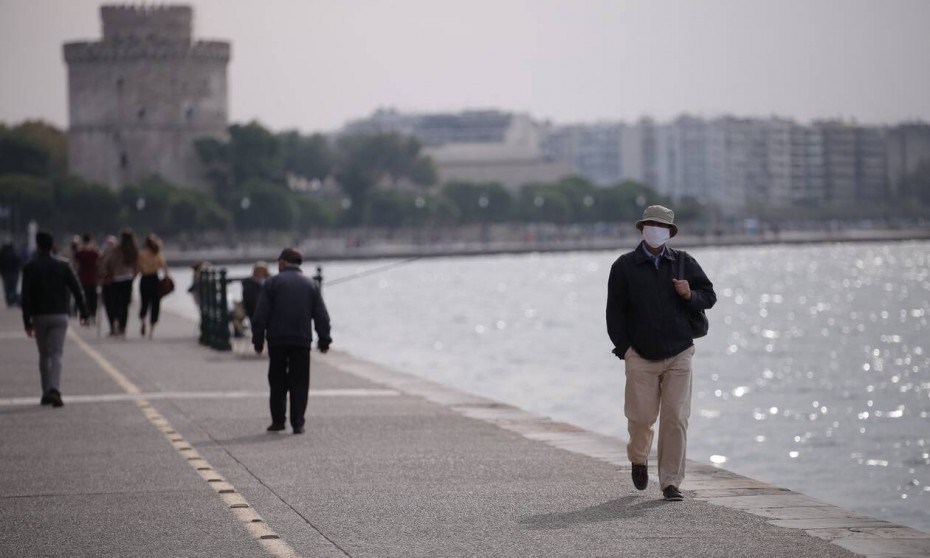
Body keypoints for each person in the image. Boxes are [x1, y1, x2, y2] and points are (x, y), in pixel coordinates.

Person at [605, 205, 716, 502]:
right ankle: (638, 458)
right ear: (642, 228)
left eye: (662, 225)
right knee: (641, 419)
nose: (656, 229)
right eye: (651, 224)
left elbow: (710, 296)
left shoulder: (683, 262)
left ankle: (670, 482)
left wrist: (689, 294)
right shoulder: (624, 266)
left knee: (676, 417)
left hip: (680, 352)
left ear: (670, 232)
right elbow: (614, 313)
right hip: (639, 354)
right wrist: (625, 350)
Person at [251, 248, 332, 435]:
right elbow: (321, 316)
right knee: (300, 381)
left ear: (281, 264)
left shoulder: (271, 283)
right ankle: (298, 423)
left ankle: (278, 421)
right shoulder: (310, 285)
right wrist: (324, 341)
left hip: (277, 340)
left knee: (277, 380)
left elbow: (260, 315)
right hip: (301, 340)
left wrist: (258, 340)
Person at [21, 231, 88, 407]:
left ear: (37, 245)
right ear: (52, 246)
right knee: (57, 353)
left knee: (44, 354)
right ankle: (55, 389)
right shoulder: (64, 265)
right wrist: (84, 312)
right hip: (60, 314)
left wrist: (26, 321)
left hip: (39, 315)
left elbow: (25, 297)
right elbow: (77, 290)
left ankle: (45, 392)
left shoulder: (30, 267)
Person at [102, 229, 138, 336]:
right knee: (125, 304)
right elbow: (136, 266)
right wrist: (133, 277)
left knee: (115, 303)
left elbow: (109, 262)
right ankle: (123, 327)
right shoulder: (133, 250)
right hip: (128, 279)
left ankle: (116, 321)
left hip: (116, 279)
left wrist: (107, 272)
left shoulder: (117, 249)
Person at [137, 233, 169, 338]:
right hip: (154, 279)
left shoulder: (141, 254)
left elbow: (137, 268)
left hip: (144, 279)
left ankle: (142, 321)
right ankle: (151, 329)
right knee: (155, 304)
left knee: (144, 302)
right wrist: (167, 278)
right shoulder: (157, 253)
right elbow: (164, 267)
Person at [73, 234, 100, 323]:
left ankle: (86, 315)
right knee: (93, 298)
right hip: (93, 277)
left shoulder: (81, 252)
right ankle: (92, 314)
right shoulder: (94, 251)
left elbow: (75, 261)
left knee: (86, 297)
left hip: (83, 277)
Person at [97, 235, 118, 335]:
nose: (109, 246)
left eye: (111, 244)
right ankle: (112, 326)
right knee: (109, 306)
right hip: (106, 282)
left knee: (115, 305)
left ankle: (116, 324)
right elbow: (100, 268)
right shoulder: (103, 254)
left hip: (115, 282)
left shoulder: (118, 254)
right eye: (108, 243)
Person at [0, 242, 23, 307]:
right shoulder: (15, 254)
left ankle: (10, 301)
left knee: (7, 288)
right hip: (14, 274)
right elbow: (19, 263)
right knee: (13, 288)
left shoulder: (2, 254)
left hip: (6, 274)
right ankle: (14, 300)